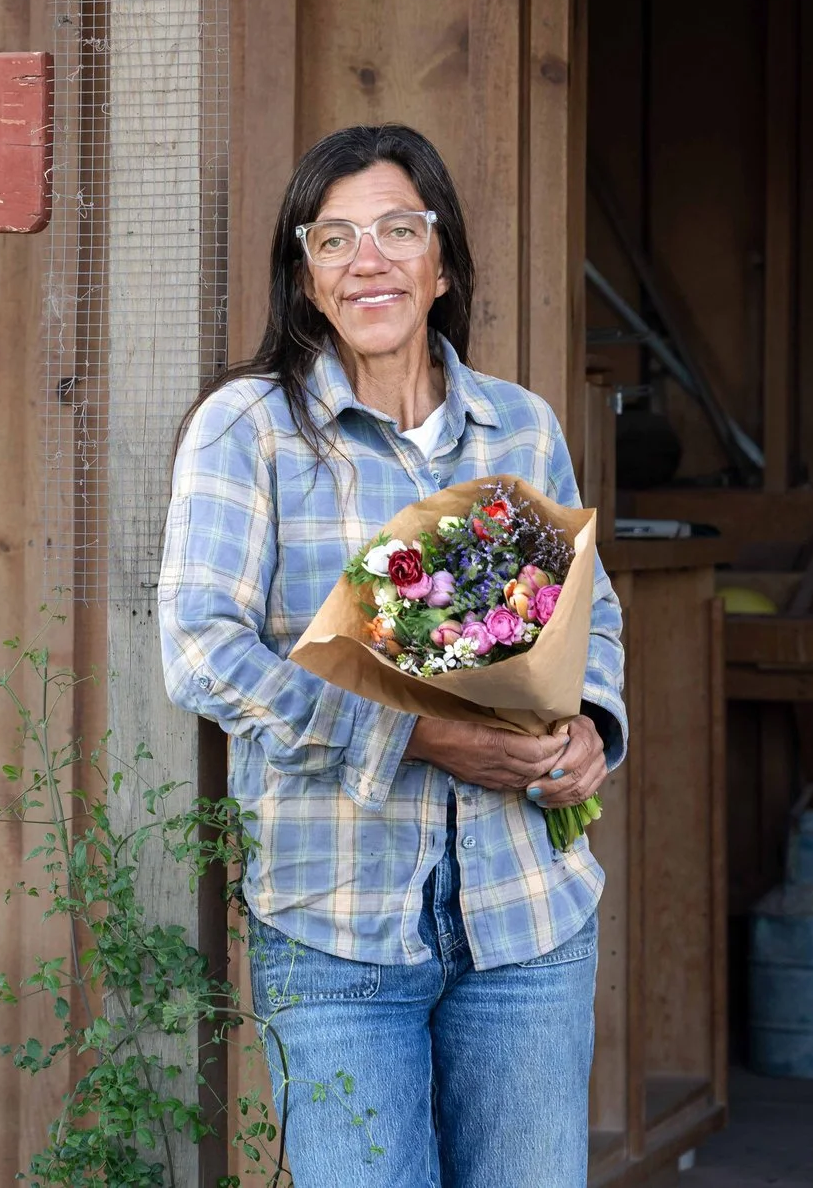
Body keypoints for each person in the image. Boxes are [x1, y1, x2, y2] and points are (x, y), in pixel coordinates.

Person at [159, 123, 625, 1187]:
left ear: (442, 260)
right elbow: (201, 648)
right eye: (333, 238)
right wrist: (416, 734)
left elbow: (585, 615)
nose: (366, 259)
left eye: (396, 230)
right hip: (335, 921)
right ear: (306, 277)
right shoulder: (252, 429)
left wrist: (592, 725)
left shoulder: (519, 425)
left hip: (526, 918)